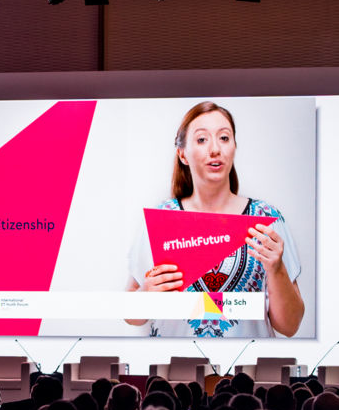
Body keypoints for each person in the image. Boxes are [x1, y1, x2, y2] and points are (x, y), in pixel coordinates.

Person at [125, 101, 304, 338]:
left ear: (234, 147)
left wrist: (277, 268)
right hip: (175, 361)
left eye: (224, 138)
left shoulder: (266, 220)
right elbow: (130, 316)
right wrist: (147, 293)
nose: (215, 149)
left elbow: (290, 326)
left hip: (245, 362)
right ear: (182, 154)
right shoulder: (159, 220)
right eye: (201, 139)